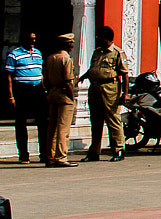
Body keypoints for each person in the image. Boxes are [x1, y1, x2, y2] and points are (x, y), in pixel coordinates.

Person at [81, 26, 129, 162]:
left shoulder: (117, 53)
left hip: (110, 88)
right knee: (96, 121)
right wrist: (83, 77)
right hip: (95, 88)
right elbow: (93, 69)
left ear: (107, 38)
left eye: (99, 37)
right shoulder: (97, 53)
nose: (97, 39)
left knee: (113, 119)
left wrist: (125, 94)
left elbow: (124, 74)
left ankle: (118, 149)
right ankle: (94, 151)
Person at [4, 32, 43, 163]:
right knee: (21, 123)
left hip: (37, 90)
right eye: (30, 39)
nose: (33, 41)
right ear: (24, 40)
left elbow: (40, 73)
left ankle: (44, 153)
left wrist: (44, 90)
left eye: (34, 39)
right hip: (21, 90)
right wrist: (10, 96)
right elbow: (8, 76)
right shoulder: (14, 54)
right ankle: (24, 155)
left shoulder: (38, 53)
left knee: (42, 122)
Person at [42, 34, 77, 168]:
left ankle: (50, 157)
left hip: (53, 92)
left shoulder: (51, 58)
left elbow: (45, 78)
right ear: (68, 45)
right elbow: (68, 82)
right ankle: (61, 156)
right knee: (63, 127)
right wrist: (72, 97)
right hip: (63, 93)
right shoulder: (66, 59)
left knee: (52, 128)